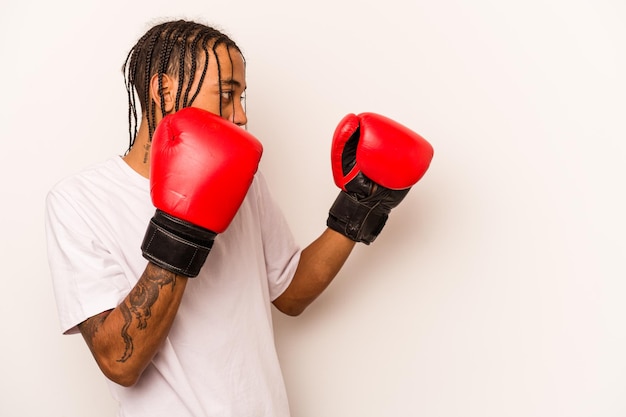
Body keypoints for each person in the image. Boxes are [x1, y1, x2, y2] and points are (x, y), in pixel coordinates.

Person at [45, 19, 433, 417]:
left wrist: (360, 204)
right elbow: (119, 363)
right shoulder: (79, 200)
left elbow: (290, 294)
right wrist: (183, 226)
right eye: (227, 95)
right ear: (163, 90)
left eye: (242, 98)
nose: (241, 116)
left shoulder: (244, 179)